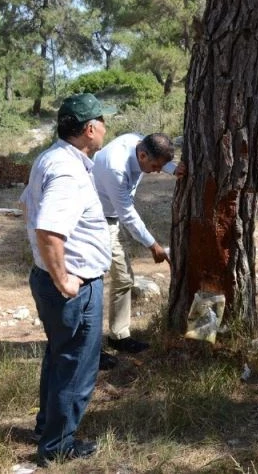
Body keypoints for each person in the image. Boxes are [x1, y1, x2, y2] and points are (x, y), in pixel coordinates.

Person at [20, 93, 110, 465]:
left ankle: (47, 427)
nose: (106, 128)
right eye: (103, 122)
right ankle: (57, 447)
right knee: (77, 366)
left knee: (60, 357)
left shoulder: (51, 158)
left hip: (50, 278)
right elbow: (50, 231)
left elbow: (25, 203)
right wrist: (64, 280)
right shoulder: (68, 171)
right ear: (90, 129)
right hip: (73, 287)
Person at [93, 132, 177, 354]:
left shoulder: (139, 142)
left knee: (123, 278)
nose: (158, 171)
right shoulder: (115, 167)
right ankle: (90, 349)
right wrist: (153, 246)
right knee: (91, 285)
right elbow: (127, 214)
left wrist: (173, 168)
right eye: (156, 166)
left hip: (108, 217)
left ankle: (118, 337)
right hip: (93, 222)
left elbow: (155, 158)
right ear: (142, 155)